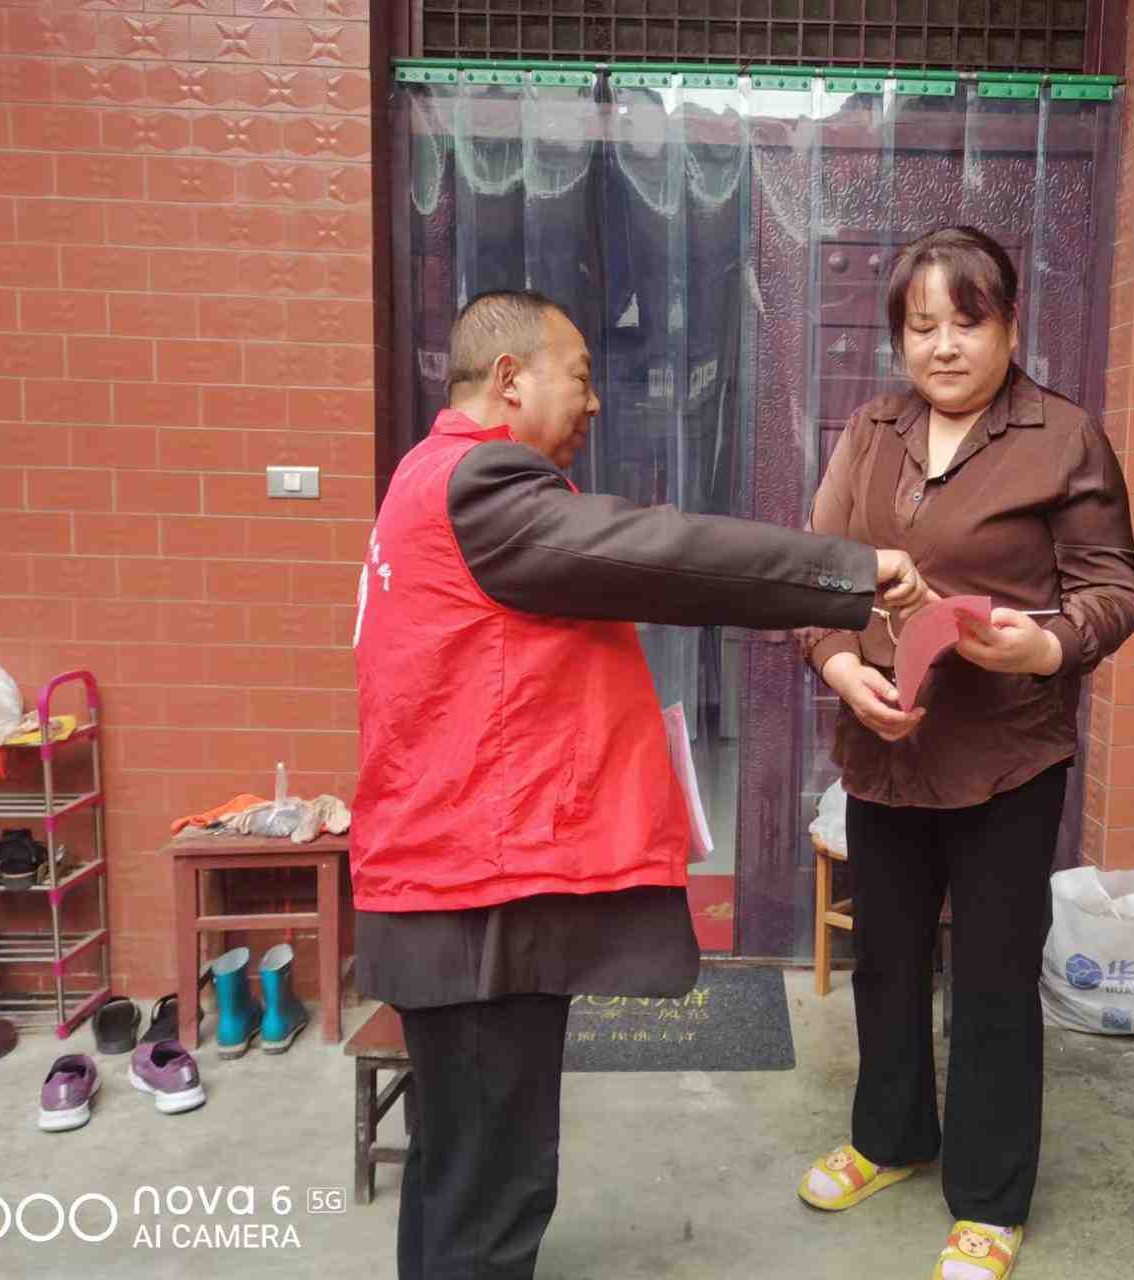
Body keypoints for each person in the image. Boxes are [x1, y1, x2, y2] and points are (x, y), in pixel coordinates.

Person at [351, 289, 930, 1280]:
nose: (593, 402)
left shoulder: (423, 474)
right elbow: (664, 554)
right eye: (579, 378)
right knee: (491, 1190)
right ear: (508, 379)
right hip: (475, 897)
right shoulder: (481, 487)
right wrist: (848, 572)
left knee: (458, 1171)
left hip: (452, 882)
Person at [794, 226, 1134, 1280]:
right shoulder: (873, 427)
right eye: (920, 326)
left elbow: (1112, 590)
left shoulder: (1063, 437)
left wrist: (1047, 644)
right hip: (884, 744)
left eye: (965, 322)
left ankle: (990, 1198)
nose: (941, 346)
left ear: (1009, 326)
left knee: (991, 977)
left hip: (1004, 756)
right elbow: (815, 571)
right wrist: (838, 667)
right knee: (887, 958)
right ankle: (890, 1136)